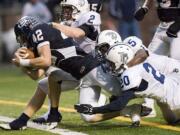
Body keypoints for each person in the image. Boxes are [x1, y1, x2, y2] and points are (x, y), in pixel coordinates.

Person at [75, 43, 180, 125]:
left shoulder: (129, 75)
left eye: (111, 63)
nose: (109, 66)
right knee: (171, 118)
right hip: (172, 87)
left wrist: (93, 110)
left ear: (120, 61)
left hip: (176, 97)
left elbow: (119, 105)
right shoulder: (134, 67)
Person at [134, 0, 180, 117]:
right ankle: (148, 106)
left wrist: (178, 24)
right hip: (162, 28)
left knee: (177, 66)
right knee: (148, 62)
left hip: (177, 28)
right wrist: (144, 8)